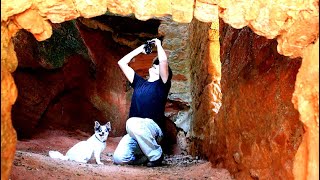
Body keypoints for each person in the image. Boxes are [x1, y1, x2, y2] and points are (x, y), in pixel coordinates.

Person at [113, 38, 172, 167]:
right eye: (154, 64)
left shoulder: (162, 84)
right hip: (136, 132)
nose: (155, 65)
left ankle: (156, 155)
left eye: (157, 65)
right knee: (119, 158)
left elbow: (163, 61)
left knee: (132, 122)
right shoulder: (139, 83)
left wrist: (158, 44)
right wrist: (140, 49)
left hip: (154, 130)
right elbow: (122, 63)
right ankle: (146, 156)